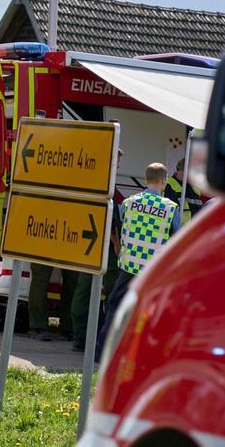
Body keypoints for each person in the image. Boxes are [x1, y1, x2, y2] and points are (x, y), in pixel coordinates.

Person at [93, 162, 182, 359]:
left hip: (128, 267)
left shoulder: (129, 202)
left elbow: (125, 227)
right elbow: (178, 238)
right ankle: (144, 356)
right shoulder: (170, 208)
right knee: (151, 314)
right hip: (153, 271)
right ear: (163, 181)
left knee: (116, 309)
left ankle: (101, 352)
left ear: (146, 179)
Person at [69, 149, 125, 351]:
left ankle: (82, 335)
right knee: (104, 287)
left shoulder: (96, 179)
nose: (119, 164)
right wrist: (116, 242)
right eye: (117, 159)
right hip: (101, 243)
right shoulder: (104, 181)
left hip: (89, 242)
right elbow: (107, 217)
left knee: (85, 287)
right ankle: (90, 336)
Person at [164, 158, 204, 226]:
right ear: (184, 171)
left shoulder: (194, 187)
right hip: (178, 231)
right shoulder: (169, 186)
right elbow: (169, 214)